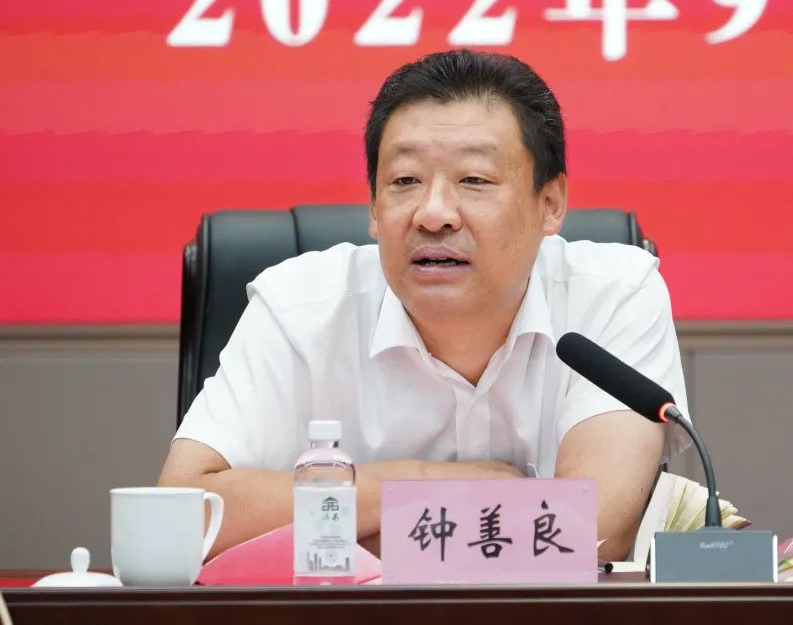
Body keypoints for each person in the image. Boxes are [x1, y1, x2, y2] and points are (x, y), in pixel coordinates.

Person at [159, 49, 689, 562]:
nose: (433, 215)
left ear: (550, 204)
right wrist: (415, 481)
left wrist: (335, 535)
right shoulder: (298, 309)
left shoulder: (614, 294)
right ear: (374, 207)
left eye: (474, 180)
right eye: (405, 181)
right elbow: (179, 518)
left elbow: (590, 530)